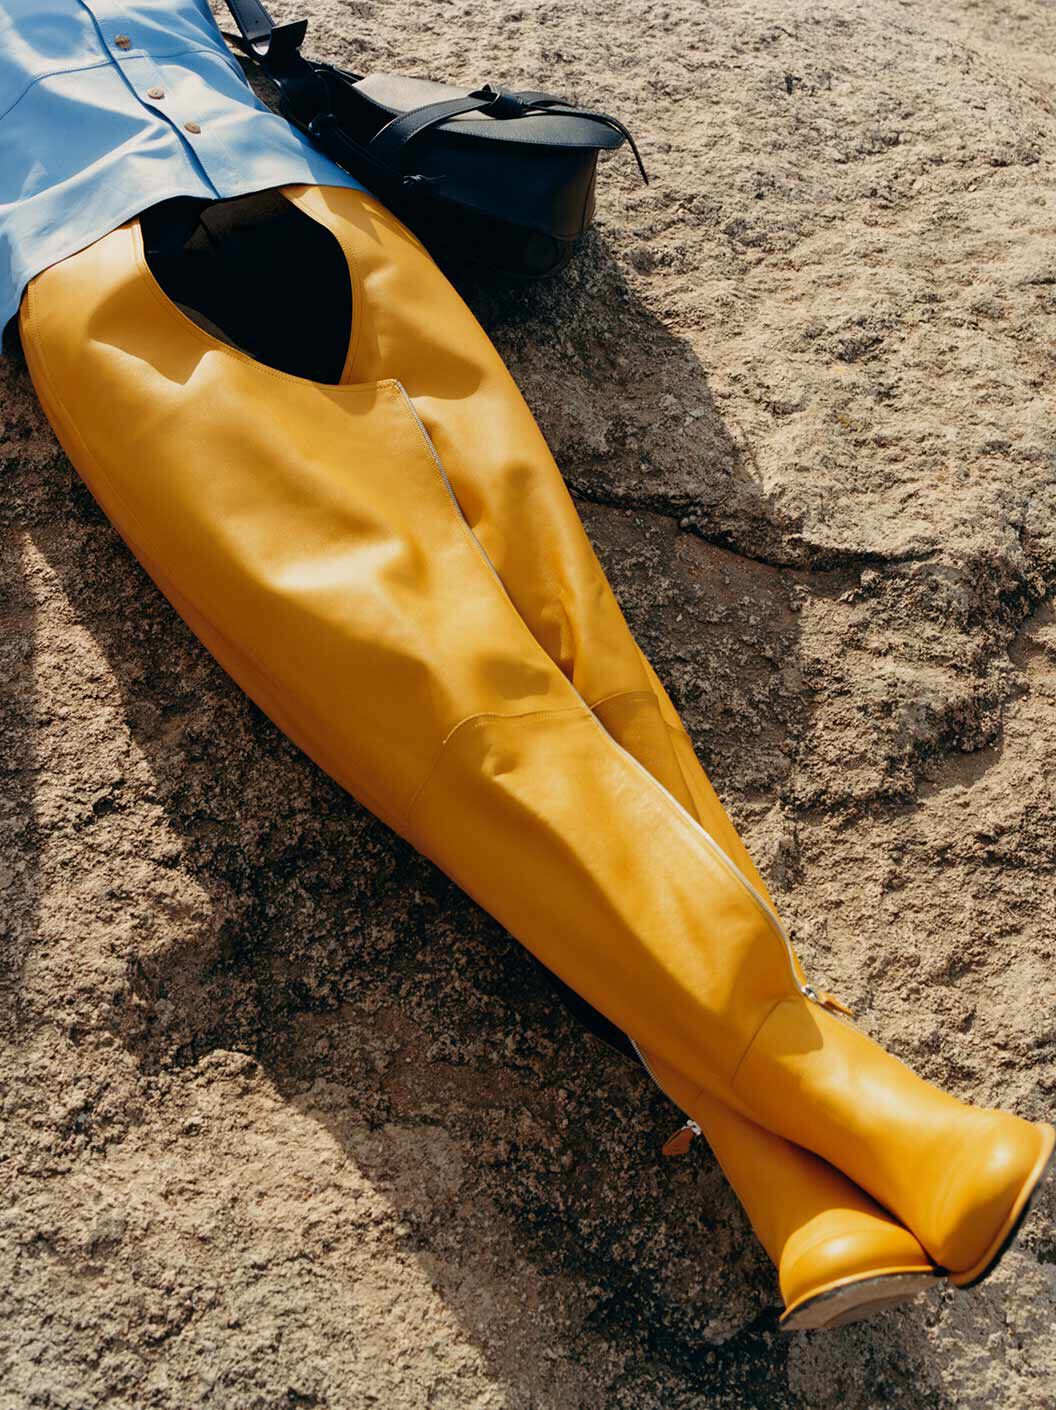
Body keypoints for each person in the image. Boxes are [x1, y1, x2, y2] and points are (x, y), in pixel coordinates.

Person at [4, 0, 1051, 1333]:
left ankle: (805, 1168)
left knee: (566, 677)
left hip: (281, 223)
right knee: (489, 716)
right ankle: (836, 1114)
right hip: (142, 273)